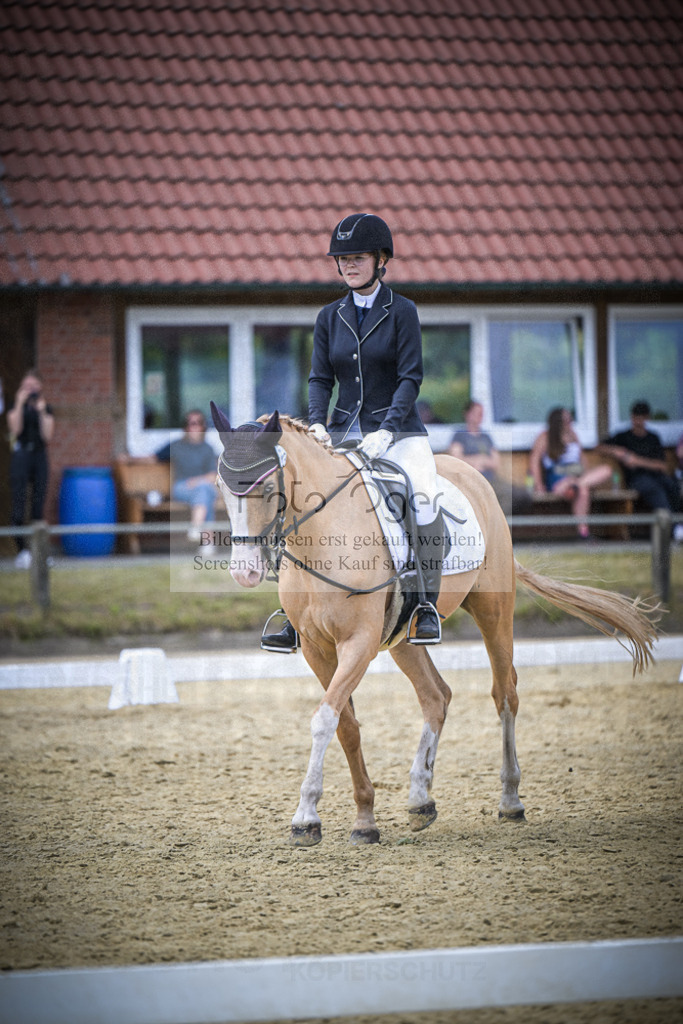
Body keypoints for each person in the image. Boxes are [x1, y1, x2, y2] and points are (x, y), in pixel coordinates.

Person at [262, 212, 444, 651]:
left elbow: (410, 378)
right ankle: (292, 614)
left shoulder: (402, 312)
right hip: (343, 432)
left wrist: (388, 428)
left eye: (357, 257)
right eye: (341, 259)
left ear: (382, 260)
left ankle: (423, 606)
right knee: (302, 501)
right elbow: (320, 378)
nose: (347, 265)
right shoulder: (329, 317)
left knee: (422, 496)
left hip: (399, 433)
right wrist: (318, 423)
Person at [529, 406, 611, 540]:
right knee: (583, 490)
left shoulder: (573, 435)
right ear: (557, 422)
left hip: (576, 476)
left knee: (606, 470)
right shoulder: (545, 437)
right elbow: (534, 460)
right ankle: (583, 532)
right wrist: (538, 484)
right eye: (567, 420)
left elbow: (582, 459)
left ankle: (575, 485)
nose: (570, 422)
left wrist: (584, 476)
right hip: (557, 477)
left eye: (570, 419)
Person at [597, 400, 680, 522]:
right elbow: (599, 446)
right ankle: (669, 528)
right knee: (654, 489)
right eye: (635, 418)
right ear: (631, 417)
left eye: (641, 418)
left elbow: (662, 466)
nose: (637, 422)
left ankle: (676, 524)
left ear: (647, 418)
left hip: (657, 476)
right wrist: (616, 450)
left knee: (672, 485)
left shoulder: (653, 438)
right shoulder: (623, 436)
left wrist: (636, 460)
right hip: (636, 479)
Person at [449, 399, 531, 516]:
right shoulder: (460, 435)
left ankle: (498, 525)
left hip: (491, 480)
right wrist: (480, 459)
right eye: (477, 413)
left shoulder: (486, 437)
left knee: (521, 495)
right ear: (467, 414)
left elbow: (496, 463)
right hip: (471, 480)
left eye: (481, 413)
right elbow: (456, 459)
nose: (480, 416)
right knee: (503, 496)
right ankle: (495, 526)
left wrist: (478, 461)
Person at [8, 369, 55, 568]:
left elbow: (48, 436)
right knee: (18, 507)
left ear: (41, 387)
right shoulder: (14, 406)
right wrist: (19, 403)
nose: (30, 390)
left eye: (34, 386)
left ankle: (40, 553)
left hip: (39, 455)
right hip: (21, 455)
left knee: (38, 507)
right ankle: (22, 552)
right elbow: (15, 429)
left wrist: (42, 411)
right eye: (26, 387)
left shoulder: (46, 408)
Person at [155, 409, 217, 546]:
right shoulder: (176, 446)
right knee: (206, 493)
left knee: (205, 491)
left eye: (198, 423)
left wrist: (196, 481)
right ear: (185, 426)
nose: (194, 427)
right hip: (181, 488)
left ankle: (196, 528)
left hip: (200, 485)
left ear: (203, 426)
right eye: (190, 423)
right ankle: (207, 542)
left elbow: (213, 476)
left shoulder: (208, 449)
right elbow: (153, 457)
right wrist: (127, 458)